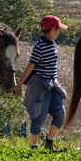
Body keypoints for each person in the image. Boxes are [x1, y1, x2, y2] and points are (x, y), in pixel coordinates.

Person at [16, 15, 68, 150]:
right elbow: (31, 66)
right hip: (40, 85)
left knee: (60, 114)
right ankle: (33, 146)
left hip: (53, 84)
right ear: (51, 30)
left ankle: (49, 143)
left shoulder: (53, 44)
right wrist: (19, 84)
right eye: (57, 29)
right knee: (38, 116)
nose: (58, 32)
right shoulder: (39, 46)